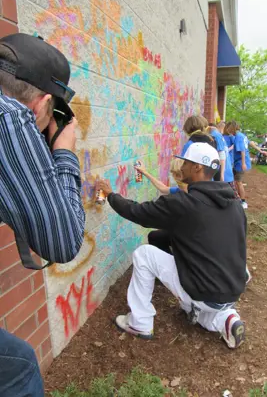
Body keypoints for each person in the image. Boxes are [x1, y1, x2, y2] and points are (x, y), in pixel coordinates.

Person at [0, 33, 85, 396]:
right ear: (42, 104)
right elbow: (63, 243)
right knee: (19, 371)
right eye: (54, 113)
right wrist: (64, 153)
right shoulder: (12, 118)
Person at [97, 142, 247, 349]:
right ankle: (227, 318)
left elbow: (138, 212)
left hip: (205, 291)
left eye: (185, 162)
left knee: (144, 254)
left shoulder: (184, 203)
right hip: (232, 290)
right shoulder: (235, 205)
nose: (181, 167)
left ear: (197, 168)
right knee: (200, 310)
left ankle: (139, 323)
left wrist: (111, 194)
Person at [232, 123, 267, 209]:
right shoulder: (242, 135)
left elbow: (242, 150)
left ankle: (243, 201)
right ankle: (238, 198)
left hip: (240, 163)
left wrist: (243, 163)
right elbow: (251, 143)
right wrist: (261, 150)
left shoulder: (239, 136)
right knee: (237, 182)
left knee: (239, 182)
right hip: (239, 162)